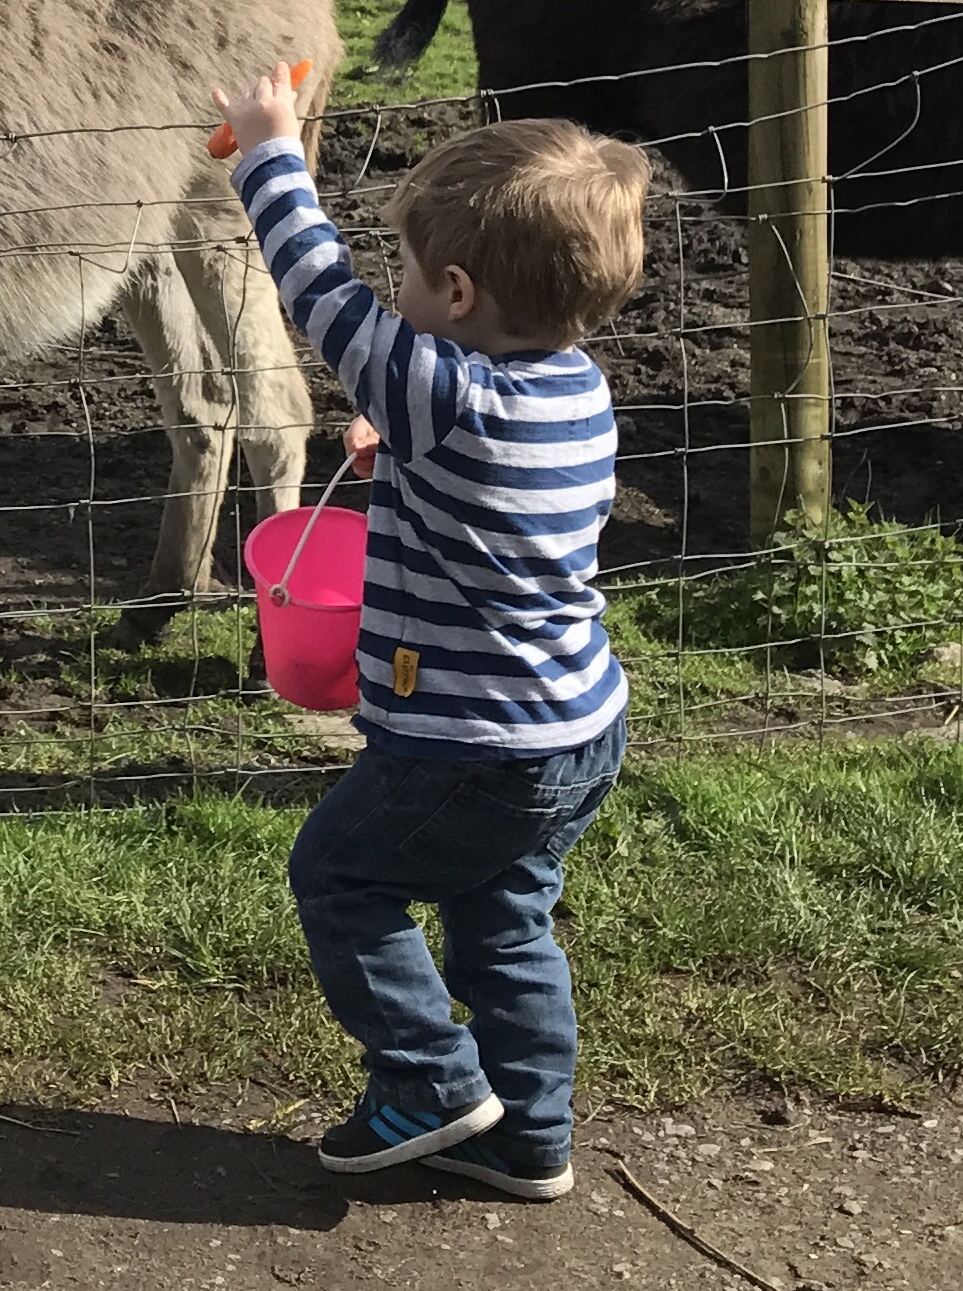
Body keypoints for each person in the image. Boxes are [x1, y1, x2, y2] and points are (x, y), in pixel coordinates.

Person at [214, 64, 651, 1201]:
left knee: (338, 874)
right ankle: (529, 1136)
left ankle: (429, 1080)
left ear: (456, 293)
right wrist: (404, 451)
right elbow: (476, 479)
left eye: (405, 271)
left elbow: (320, 290)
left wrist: (269, 151)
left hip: (468, 744)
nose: (392, 287)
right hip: (574, 726)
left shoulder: (443, 394)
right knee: (503, 921)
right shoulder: (572, 385)